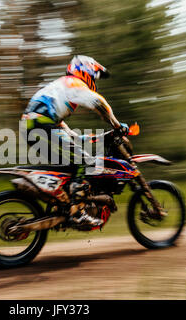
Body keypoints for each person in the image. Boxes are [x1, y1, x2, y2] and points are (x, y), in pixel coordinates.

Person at [21, 55, 128, 227]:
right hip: (40, 125)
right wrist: (117, 125)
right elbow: (99, 102)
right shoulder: (74, 83)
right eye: (94, 75)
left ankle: (63, 205)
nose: (94, 80)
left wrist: (85, 138)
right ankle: (77, 212)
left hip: (34, 125)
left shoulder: (61, 87)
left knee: (72, 163)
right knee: (83, 161)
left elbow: (65, 129)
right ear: (86, 71)